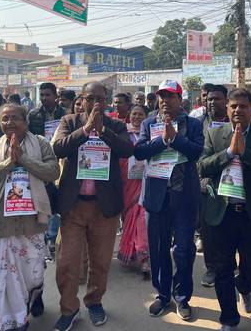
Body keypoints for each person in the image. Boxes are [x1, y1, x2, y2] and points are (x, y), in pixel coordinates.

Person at [0, 104, 60, 331]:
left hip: (32, 223)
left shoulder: (40, 143)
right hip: (1, 225)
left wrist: (24, 159)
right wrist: (8, 163)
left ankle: (32, 299)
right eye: (5, 119)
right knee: (3, 280)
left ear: (25, 121)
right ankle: (14, 321)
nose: (10, 122)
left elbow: (53, 172)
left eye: (15, 117)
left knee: (33, 276)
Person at [52, 82, 134, 330]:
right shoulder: (69, 121)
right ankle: (69, 309)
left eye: (100, 98)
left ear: (106, 101)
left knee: (100, 262)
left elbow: (128, 150)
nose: (95, 103)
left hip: (103, 207)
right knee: (67, 263)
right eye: (90, 98)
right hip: (73, 205)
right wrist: (87, 130)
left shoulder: (116, 125)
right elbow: (57, 147)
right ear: (82, 99)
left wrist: (103, 131)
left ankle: (94, 302)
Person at [198, 88, 251, 331]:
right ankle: (229, 319)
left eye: (243, 106)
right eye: (233, 106)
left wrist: (244, 152)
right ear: (227, 108)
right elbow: (202, 167)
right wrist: (229, 152)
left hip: (250, 214)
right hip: (221, 213)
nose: (237, 111)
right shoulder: (215, 134)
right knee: (222, 268)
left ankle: (244, 288)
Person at [134, 80, 203, 321]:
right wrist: (162, 141)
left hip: (184, 197)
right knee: (159, 249)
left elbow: (196, 152)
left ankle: (182, 297)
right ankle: (162, 295)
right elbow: (140, 151)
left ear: (179, 99)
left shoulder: (193, 123)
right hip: (156, 196)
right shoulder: (148, 123)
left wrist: (175, 140)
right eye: (161, 96)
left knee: (183, 250)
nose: (165, 100)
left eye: (170, 96)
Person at [197, 84, 230, 287]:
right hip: (205, 181)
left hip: (231, 181)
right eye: (209, 99)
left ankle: (228, 265)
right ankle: (211, 267)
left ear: (226, 101)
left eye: (216, 98)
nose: (211, 102)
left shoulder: (236, 122)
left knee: (229, 226)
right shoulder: (197, 123)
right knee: (208, 227)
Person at [117, 104, 150, 279]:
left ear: (146, 116)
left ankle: (144, 256)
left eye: (140, 114)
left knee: (142, 217)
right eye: (134, 114)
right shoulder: (123, 133)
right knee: (129, 216)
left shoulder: (151, 133)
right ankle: (130, 251)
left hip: (146, 179)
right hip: (126, 180)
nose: (137, 117)